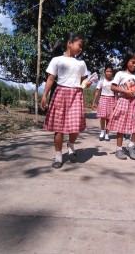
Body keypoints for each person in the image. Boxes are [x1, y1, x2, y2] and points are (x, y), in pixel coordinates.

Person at [40, 32, 91, 168]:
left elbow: (83, 80)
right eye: (79, 45)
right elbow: (51, 79)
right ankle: (58, 156)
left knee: (75, 127)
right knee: (59, 128)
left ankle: (71, 144)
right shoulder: (57, 60)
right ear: (69, 43)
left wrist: (87, 83)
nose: (81, 48)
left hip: (76, 95)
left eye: (82, 46)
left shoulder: (81, 63)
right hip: (60, 93)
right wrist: (44, 95)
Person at [106, 53, 135, 160]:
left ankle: (131, 145)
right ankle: (119, 149)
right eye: (133, 62)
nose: (134, 65)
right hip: (123, 101)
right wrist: (125, 91)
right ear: (127, 61)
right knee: (121, 126)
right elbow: (113, 87)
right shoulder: (120, 74)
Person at [92, 64, 116, 141]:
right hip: (103, 98)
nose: (109, 73)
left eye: (110, 71)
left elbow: (116, 93)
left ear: (112, 73)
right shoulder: (102, 81)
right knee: (102, 117)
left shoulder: (114, 82)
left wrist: (116, 102)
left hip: (111, 100)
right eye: (107, 71)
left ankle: (107, 134)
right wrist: (94, 102)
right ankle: (102, 132)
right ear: (105, 72)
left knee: (109, 118)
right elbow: (97, 92)